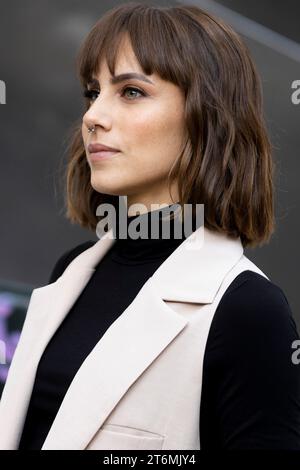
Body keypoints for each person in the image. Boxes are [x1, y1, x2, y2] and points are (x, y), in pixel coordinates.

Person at [0, 2, 300, 450]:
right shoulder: (72, 271)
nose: (92, 116)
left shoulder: (249, 311)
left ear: (206, 115)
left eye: (131, 92)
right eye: (92, 91)